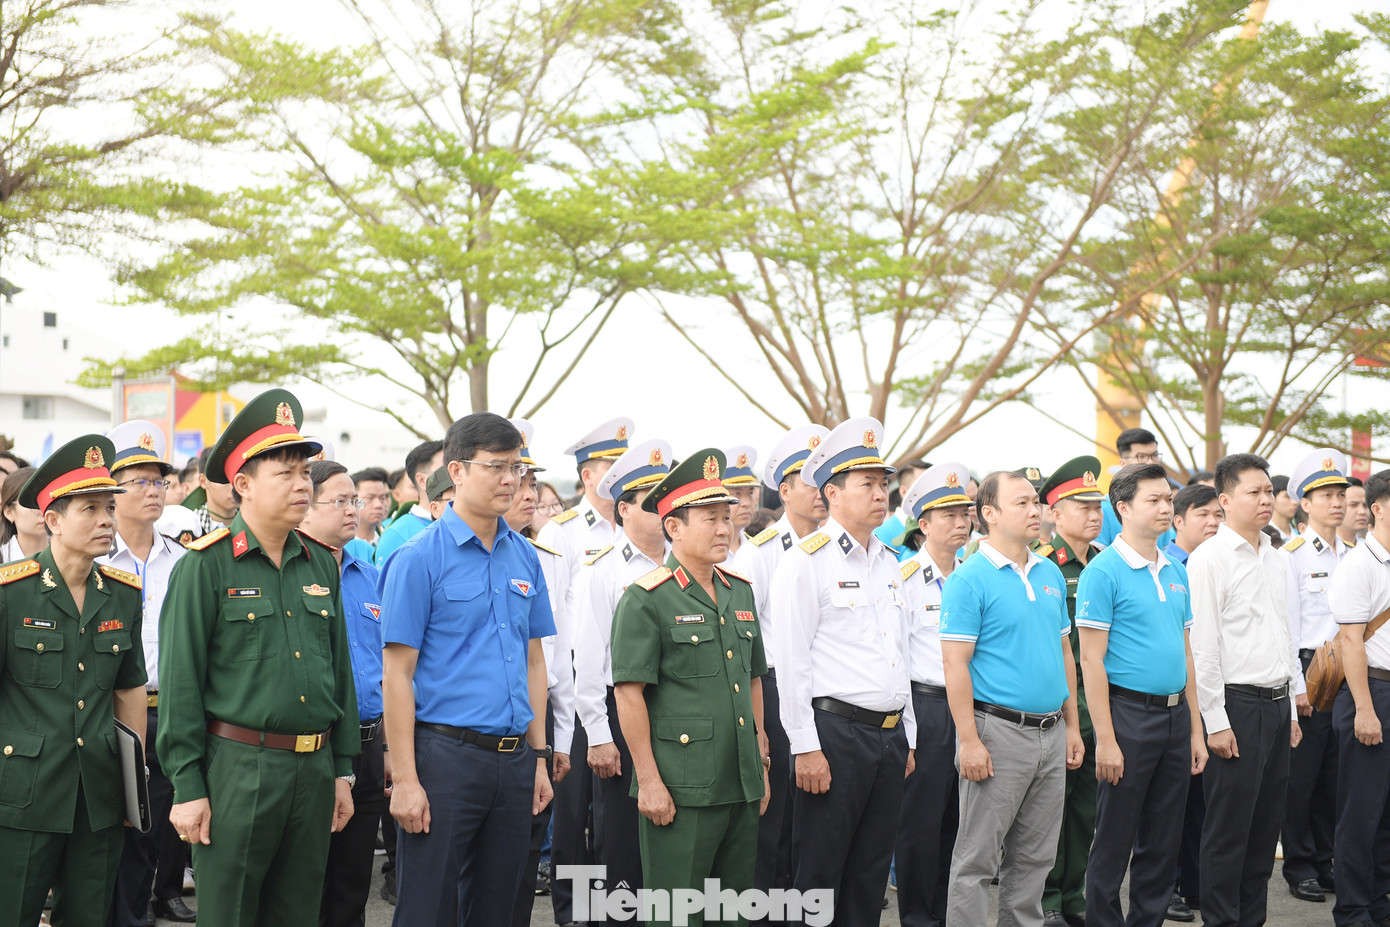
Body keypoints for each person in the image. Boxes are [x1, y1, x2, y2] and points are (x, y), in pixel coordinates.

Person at [158, 389, 360, 927]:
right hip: (238, 769)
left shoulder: (319, 564)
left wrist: (342, 771)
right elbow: (180, 684)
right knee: (230, 914)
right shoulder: (206, 566)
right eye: (286, 472)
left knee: (298, 913)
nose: (302, 484)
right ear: (242, 485)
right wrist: (188, 787)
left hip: (313, 771)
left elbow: (339, 675)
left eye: (305, 473)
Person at [378, 413, 555, 927]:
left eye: (517, 469)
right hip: (445, 759)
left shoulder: (524, 556)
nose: (510, 480)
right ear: (456, 470)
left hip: (514, 760)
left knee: (502, 908)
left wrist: (539, 757)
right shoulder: (418, 558)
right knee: (428, 907)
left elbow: (533, 660)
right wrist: (406, 779)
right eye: (496, 467)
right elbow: (397, 675)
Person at [611, 449, 770, 924]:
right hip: (682, 786)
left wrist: (760, 760)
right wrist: (650, 782)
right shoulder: (645, 599)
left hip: (740, 781)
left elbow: (754, 677)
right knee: (678, 913)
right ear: (673, 527)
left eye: (727, 517)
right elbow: (628, 693)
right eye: (710, 519)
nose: (725, 528)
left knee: (734, 912)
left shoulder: (739, 590)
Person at [771, 417, 915, 927]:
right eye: (868, 485)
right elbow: (791, 662)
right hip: (835, 734)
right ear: (832, 492)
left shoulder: (890, 561)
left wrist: (909, 735)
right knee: (817, 875)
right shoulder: (806, 562)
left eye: (884, 484)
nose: (882, 494)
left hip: (887, 736)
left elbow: (897, 651)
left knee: (870, 877)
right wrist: (804, 746)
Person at [0, 435, 147, 927]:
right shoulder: (11, 593)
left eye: (110, 507)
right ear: (53, 520)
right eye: (91, 509)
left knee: (87, 916)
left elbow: (128, 690)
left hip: (99, 793)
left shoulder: (123, 594)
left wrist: (134, 785)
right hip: (23, 792)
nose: (108, 520)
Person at [940, 469, 1084, 927]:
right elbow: (954, 664)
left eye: (1036, 501)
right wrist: (968, 740)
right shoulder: (971, 578)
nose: (1035, 510)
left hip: (1051, 730)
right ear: (989, 513)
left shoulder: (1048, 573)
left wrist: (1074, 726)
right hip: (996, 733)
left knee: (1035, 860)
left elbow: (1064, 651)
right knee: (977, 860)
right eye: (1021, 502)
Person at [1076, 463, 1208, 927]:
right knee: (1113, 840)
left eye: (1168, 500)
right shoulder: (1103, 571)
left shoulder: (1175, 569)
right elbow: (1091, 661)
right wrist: (1106, 740)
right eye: (1153, 500)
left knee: (1163, 840)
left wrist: (1195, 730)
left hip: (1174, 719)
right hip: (1127, 716)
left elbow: (1187, 655)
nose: (1164, 508)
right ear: (1123, 508)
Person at [1188, 453, 1303, 927]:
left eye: (1268, 491)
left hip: (1278, 705)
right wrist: (1215, 721)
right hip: (1236, 706)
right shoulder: (1208, 560)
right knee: (1228, 832)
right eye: (1253, 492)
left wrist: (1294, 707)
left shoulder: (1277, 560)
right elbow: (1204, 647)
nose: (1265, 500)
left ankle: (1251, 920)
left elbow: (1286, 635)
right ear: (1225, 499)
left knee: (1263, 831)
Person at [535, 417, 633, 927]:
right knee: (574, 810)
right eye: (612, 466)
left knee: (619, 811)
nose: (622, 475)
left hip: (629, 687)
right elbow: (548, 623)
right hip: (573, 686)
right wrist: (558, 700)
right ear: (588, 475)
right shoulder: (562, 532)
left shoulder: (642, 525)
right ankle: (575, 913)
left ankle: (616, 908)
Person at [727, 423, 829, 909]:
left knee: (819, 826)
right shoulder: (762, 554)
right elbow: (744, 642)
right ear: (784, 491)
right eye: (809, 480)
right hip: (771, 689)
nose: (820, 491)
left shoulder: (836, 551)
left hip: (826, 698)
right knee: (775, 822)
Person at [99, 422, 196, 927]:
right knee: (115, 832)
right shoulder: (93, 558)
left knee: (159, 828)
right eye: (139, 481)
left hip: (170, 713)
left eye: (159, 481)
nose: (153, 490)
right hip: (107, 717)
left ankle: (141, 913)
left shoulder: (184, 561)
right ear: (112, 492)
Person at [571, 438, 672, 913]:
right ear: (623, 510)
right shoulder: (603, 570)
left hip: (682, 714)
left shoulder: (688, 563)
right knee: (623, 845)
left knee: (677, 843)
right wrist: (596, 734)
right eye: (650, 501)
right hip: (623, 713)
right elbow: (589, 659)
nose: (662, 510)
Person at [298, 459, 388, 927]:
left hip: (369, 742)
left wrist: (389, 745)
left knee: (353, 881)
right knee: (308, 878)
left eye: (355, 500)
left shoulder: (368, 575)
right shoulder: (290, 577)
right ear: (305, 508)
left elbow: (386, 670)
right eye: (341, 500)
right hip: (315, 745)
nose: (353, 509)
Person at [894, 462, 973, 927]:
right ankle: (919, 917)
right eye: (948, 515)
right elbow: (897, 658)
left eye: (965, 513)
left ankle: (951, 914)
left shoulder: (977, 575)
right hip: (924, 707)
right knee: (920, 823)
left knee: (963, 822)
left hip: (972, 708)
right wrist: (909, 731)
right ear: (923, 525)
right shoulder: (902, 578)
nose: (961, 522)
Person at [501, 421, 572, 927]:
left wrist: (551, 744)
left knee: (519, 874)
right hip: (464, 740)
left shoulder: (540, 556)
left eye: (531, 483)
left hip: (533, 729)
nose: (527, 494)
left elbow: (550, 660)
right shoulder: (427, 555)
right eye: (517, 480)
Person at [1033, 457, 1107, 927]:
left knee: (1086, 811)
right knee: (1050, 813)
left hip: (1102, 706)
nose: (1094, 513)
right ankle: (1047, 900)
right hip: (1063, 706)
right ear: (1056, 514)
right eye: (1082, 505)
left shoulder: (1105, 563)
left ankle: (1075, 898)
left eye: (1098, 504)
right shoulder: (1045, 566)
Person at [1279, 450, 1351, 904]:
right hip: (1310, 669)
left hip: (1350, 670)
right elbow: (1286, 625)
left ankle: (1326, 861)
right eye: (1326, 495)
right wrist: (1296, 687)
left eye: (1341, 493)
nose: (1337, 503)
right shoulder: (1293, 556)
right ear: (1305, 503)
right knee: (1302, 777)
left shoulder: (1356, 552)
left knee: (1335, 776)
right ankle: (1300, 865)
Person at [1328, 468, 1390, 927]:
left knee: (1387, 812)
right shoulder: (1360, 564)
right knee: (1360, 810)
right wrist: (1364, 710)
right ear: (1378, 509)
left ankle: (1378, 899)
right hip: (1372, 692)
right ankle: (1351, 908)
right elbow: (1351, 641)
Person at [1161, 482, 1223, 921]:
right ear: (1178, 520)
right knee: (1173, 801)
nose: (1213, 523)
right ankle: (1172, 886)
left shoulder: (1220, 562)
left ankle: (1198, 882)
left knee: (1206, 797)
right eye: (1203, 515)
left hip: (1215, 690)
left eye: (1218, 514)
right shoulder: (1167, 566)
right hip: (1173, 694)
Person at [1097, 429, 1173, 549]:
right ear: (1123, 463)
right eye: (1141, 456)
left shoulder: (1163, 509)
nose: (1150, 462)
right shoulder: (1102, 508)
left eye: (1154, 455)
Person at [375, 441, 445, 564]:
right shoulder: (396, 534)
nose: (455, 474)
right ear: (422, 480)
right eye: (445, 470)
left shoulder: (467, 524)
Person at [874, 458, 929, 556]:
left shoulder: (942, 527)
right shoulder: (882, 533)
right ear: (904, 492)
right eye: (922, 485)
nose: (931, 491)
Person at [343, 466, 391, 563]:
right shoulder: (342, 546)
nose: (379, 505)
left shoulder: (390, 539)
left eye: (382, 497)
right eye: (370, 498)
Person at [721, 445, 759, 559]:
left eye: (750, 493)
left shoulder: (757, 550)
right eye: (737, 494)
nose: (746, 503)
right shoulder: (705, 552)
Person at [1, 465, 45, 562]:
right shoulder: (2, 558)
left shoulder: (70, 554)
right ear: (9, 512)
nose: (43, 512)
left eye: (46, 502)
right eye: (34, 504)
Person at [1342, 477, 1369, 548]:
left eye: (1365, 505)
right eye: (1353, 505)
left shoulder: (1370, 549)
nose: (1362, 512)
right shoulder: (1328, 548)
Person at [1271, 476, 1299, 541]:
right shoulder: (1264, 535)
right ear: (1272, 499)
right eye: (1287, 496)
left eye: (1295, 496)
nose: (1295, 502)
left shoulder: (1301, 532)